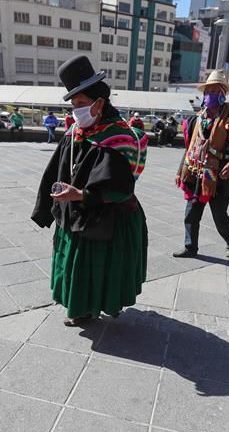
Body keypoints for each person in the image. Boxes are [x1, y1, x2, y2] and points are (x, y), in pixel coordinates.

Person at [32, 55, 148, 326]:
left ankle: (104, 304)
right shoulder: (75, 133)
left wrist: (82, 195)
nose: (76, 111)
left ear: (100, 102)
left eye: (81, 104)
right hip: (74, 213)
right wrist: (49, 208)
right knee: (77, 265)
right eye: (73, 105)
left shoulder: (120, 138)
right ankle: (82, 308)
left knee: (100, 266)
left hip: (110, 218)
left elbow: (119, 188)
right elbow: (55, 170)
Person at [172, 69, 229, 258]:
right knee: (191, 213)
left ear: (223, 94)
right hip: (196, 172)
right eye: (208, 91)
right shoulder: (198, 119)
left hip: (220, 176)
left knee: (219, 216)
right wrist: (179, 171)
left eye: (215, 91)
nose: (210, 95)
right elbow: (190, 148)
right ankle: (190, 247)